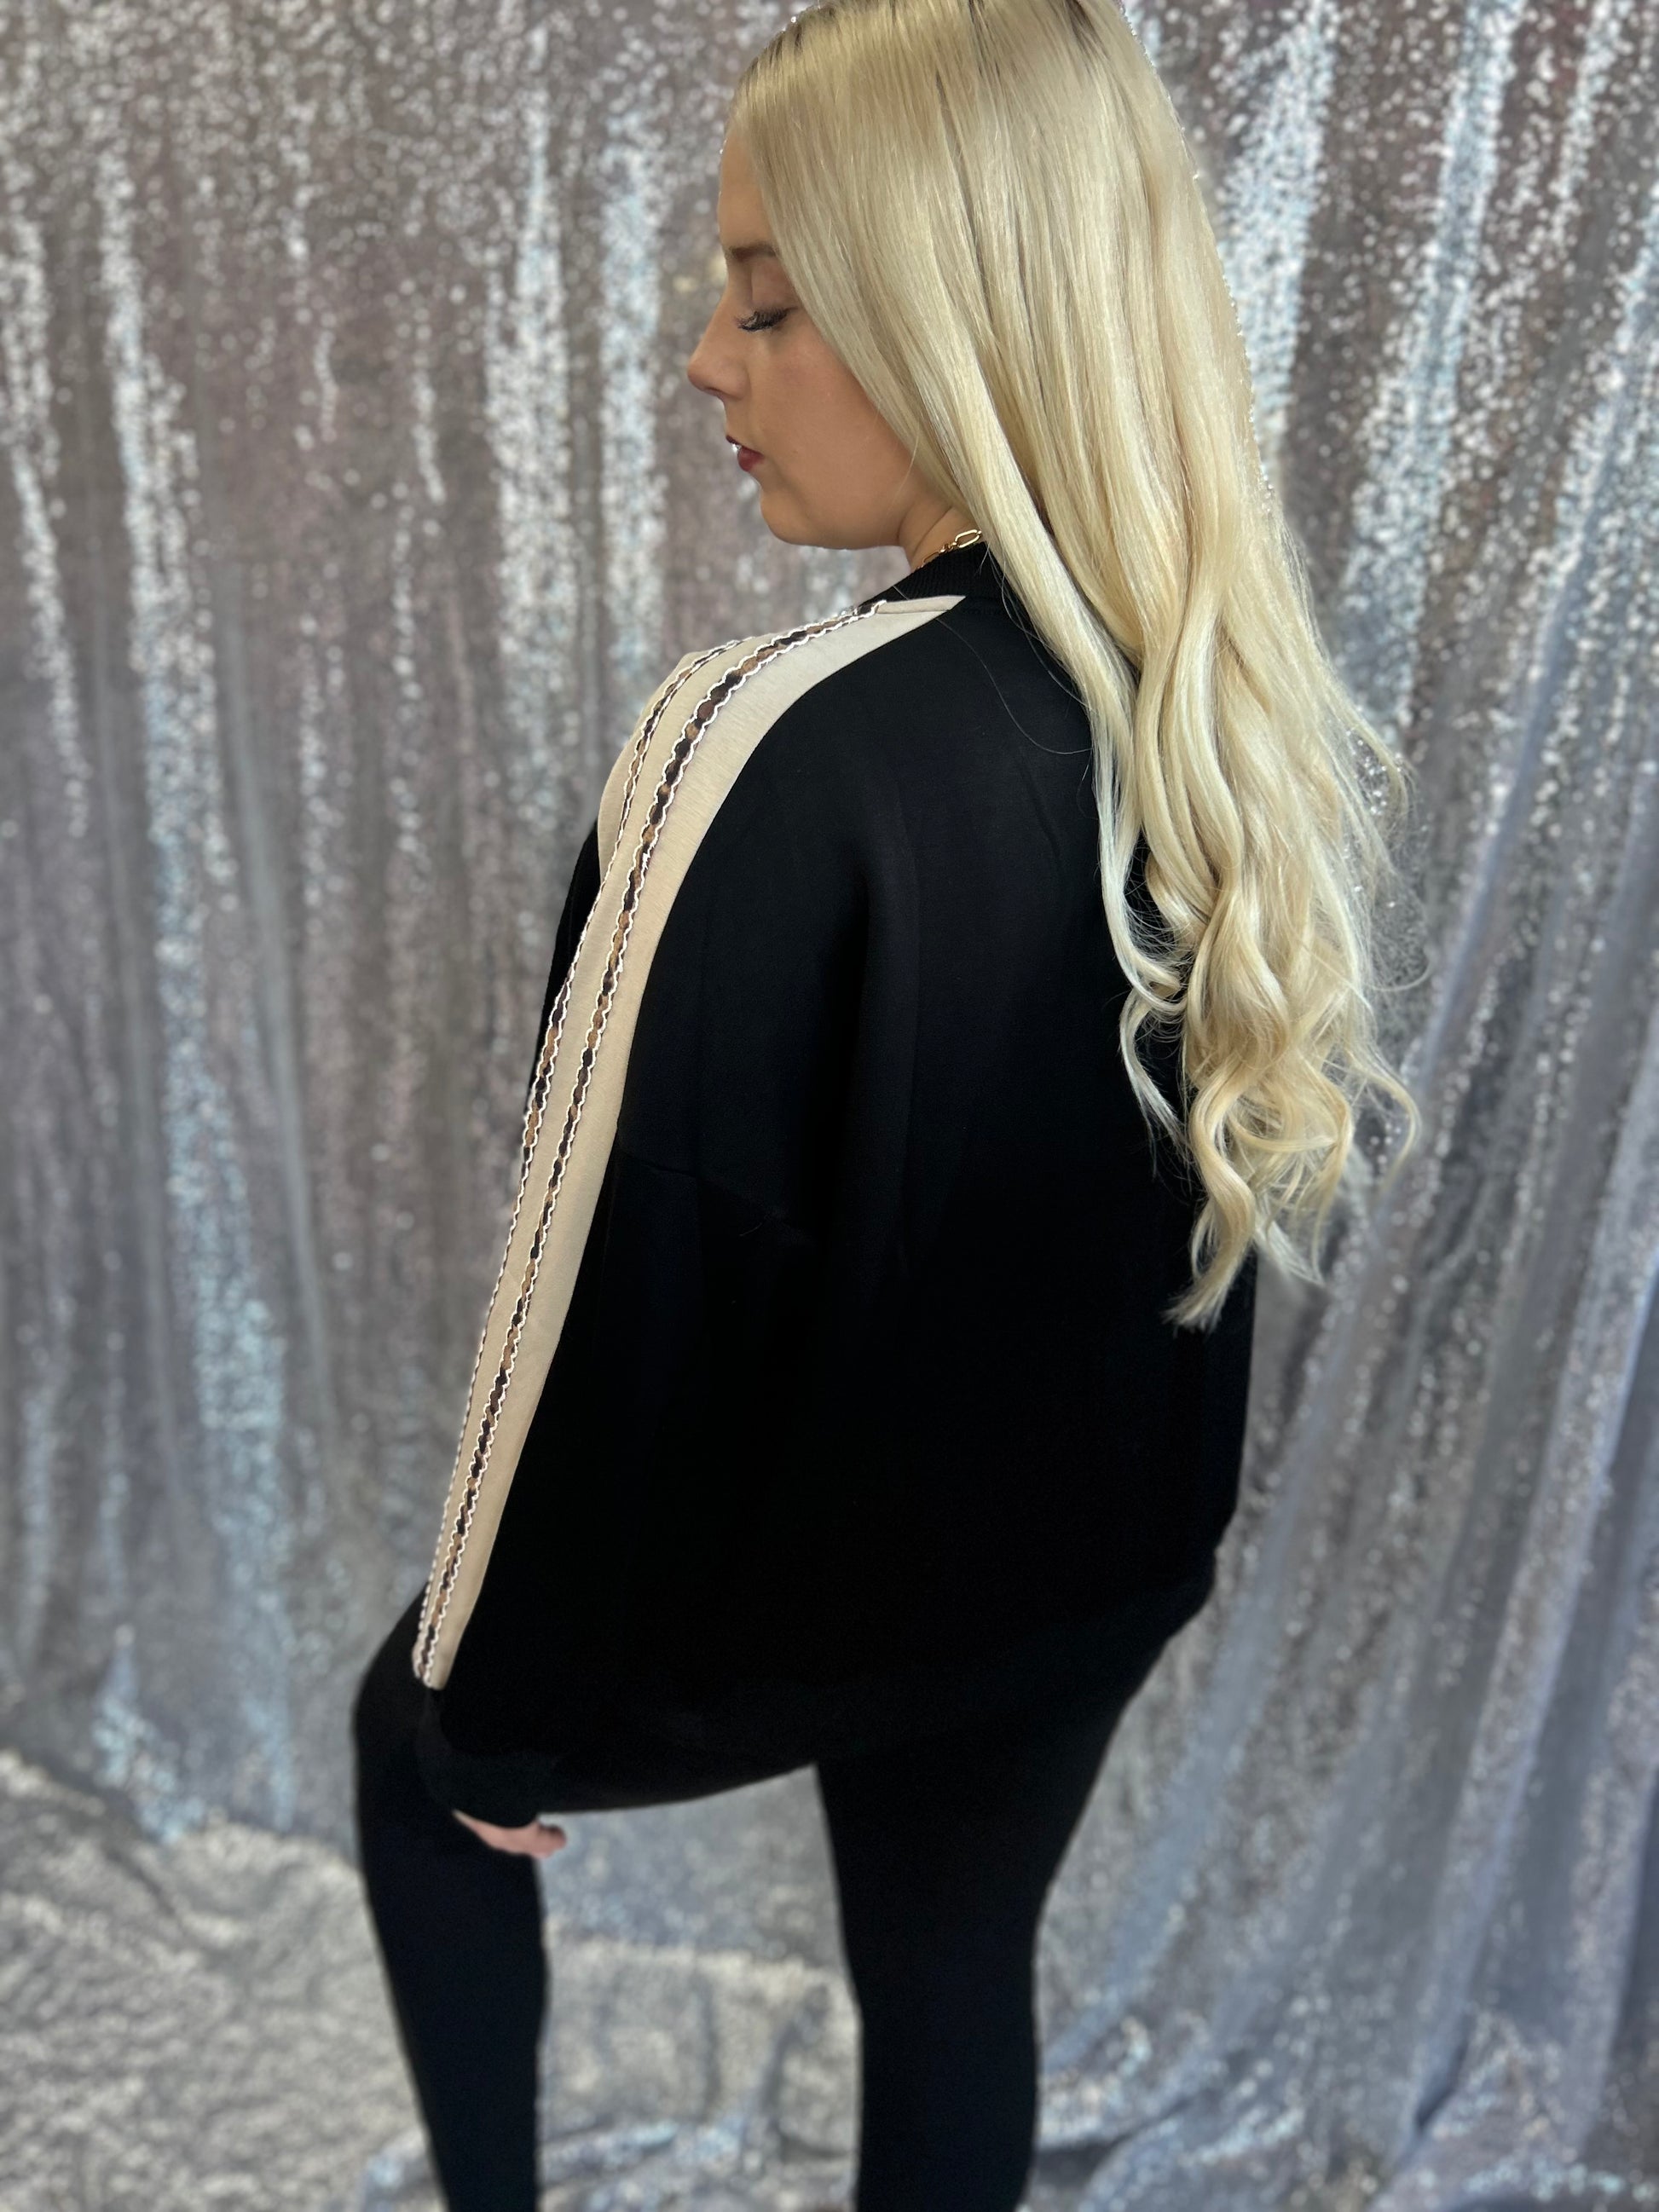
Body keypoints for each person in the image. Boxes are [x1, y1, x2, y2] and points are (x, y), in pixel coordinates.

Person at [351, 3, 1422, 2208]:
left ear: (960, 310)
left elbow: (600, 1291)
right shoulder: (1203, 700)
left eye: (765, 303)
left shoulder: (758, 740)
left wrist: (484, 1705)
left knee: (404, 1750)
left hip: (843, 1558)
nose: (703, 365)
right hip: (1094, 1567)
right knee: (950, 1971)